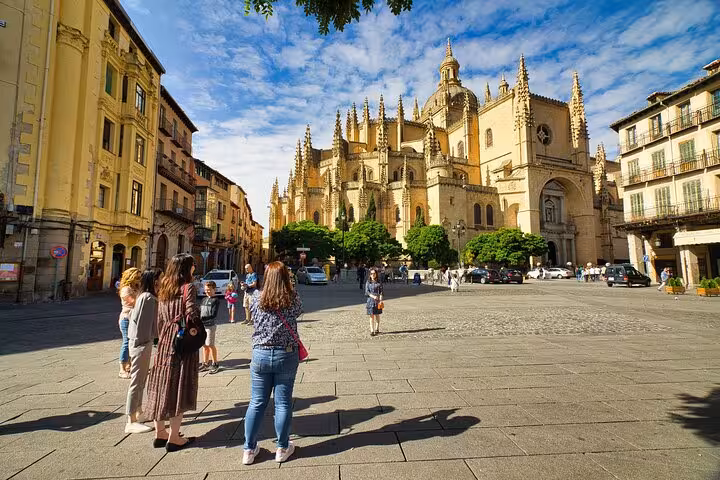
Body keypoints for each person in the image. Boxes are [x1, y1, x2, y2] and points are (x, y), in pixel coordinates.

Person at [243, 261, 303, 465]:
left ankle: (249, 450)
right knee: (283, 403)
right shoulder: (291, 297)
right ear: (286, 278)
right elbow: (298, 311)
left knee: (257, 402)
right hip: (285, 354)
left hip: (260, 354)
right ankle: (282, 448)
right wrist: (290, 285)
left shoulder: (256, 297)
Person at [144, 253, 200, 452]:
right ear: (187, 268)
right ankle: (174, 437)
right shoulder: (188, 287)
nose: (195, 268)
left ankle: (160, 433)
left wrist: (162, 337)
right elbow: (192, 314)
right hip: (182, 342)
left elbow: (159, 319)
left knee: (161, 385)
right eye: (193, 265)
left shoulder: (164, 288)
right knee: (179, 386)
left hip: (165, 341)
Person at [125, 268, 162, 434]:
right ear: (154, 281)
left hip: (141, 342)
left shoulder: (146, 296)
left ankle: (138, 412)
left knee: (141, 381)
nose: (164, 280)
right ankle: (130, 420)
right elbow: (143, 325)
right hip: (141, 343)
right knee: (137, 381)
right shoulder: (147, 298)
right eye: (161, 278)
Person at [118, 268, 141, 379]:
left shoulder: (137, 288)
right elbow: (133, 301)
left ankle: (129, 365)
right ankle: (122, 368)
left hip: (136, 318)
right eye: (137, 277)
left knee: (134, 342)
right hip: (126, 318)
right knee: (127, 342)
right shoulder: (126, 289)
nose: (139, 279)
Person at [200, 281, 220, 374]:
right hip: (202, 325)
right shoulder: (203, 299)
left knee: (210, 344)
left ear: (214, 289)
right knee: (204, 345)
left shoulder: (215, 300)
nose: (207, 291)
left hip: (210, 326)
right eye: (206, 290)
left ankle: (215, 363)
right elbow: (200, 310)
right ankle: (205, 363)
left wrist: (203, 318)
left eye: (209, 289)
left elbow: (213, 314)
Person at [365, 268, 383, 337]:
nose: (373, 275)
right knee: (371, 315)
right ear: (370, 274)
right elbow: (367, 292)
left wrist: (381, 300)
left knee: (377, 315)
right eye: (371, 273)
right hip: (370, 300)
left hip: (378, 300)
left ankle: (377, 328)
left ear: (376, 274)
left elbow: (381, 292)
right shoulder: (368, 282)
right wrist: (373, 296)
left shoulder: (379, 282)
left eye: (374, 273)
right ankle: (372, 330)